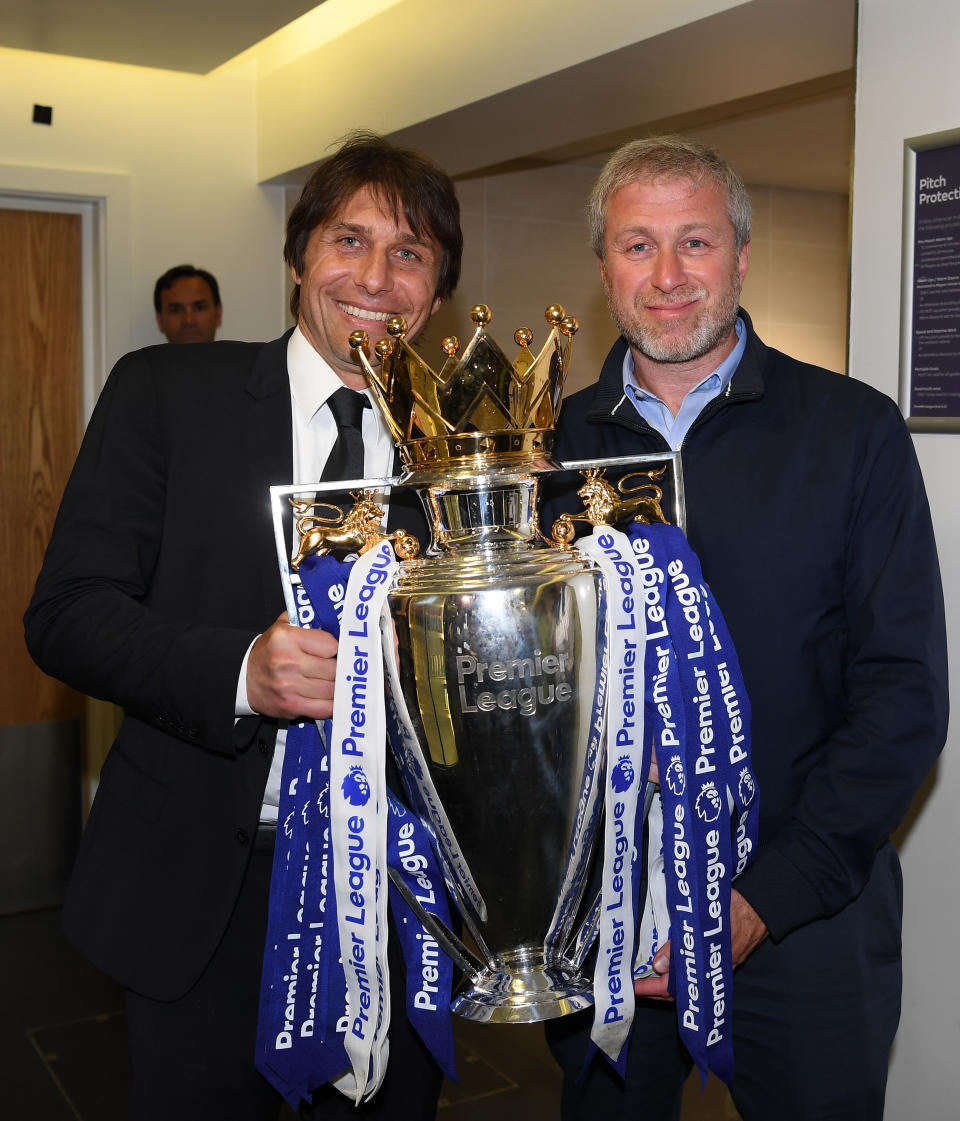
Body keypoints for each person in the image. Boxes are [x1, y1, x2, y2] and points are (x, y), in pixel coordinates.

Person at [24, 132, 462, 1121]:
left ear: (434, 294)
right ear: (300, 257)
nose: (375, 277)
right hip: (204, 893)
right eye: (350, 241)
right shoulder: (168, 394)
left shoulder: (465, 456)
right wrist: (242, 671)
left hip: (393, 907)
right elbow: (67, 616)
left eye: (409, 254)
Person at [544, 135, 948, 1121]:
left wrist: (764, 895)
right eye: (638, 246)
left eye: (697, 242)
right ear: (603, 268)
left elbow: (902, 696)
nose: (670, 275)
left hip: (805, 915)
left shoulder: (853, 430)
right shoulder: (550, 449)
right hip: (609, 924)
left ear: (742, 253)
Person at [154, 263, 223, 342]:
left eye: (199, 308)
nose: (188, 321)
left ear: (218, 313)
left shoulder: (239, 354)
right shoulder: (139, 354)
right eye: (176, 310)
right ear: (160, 320)